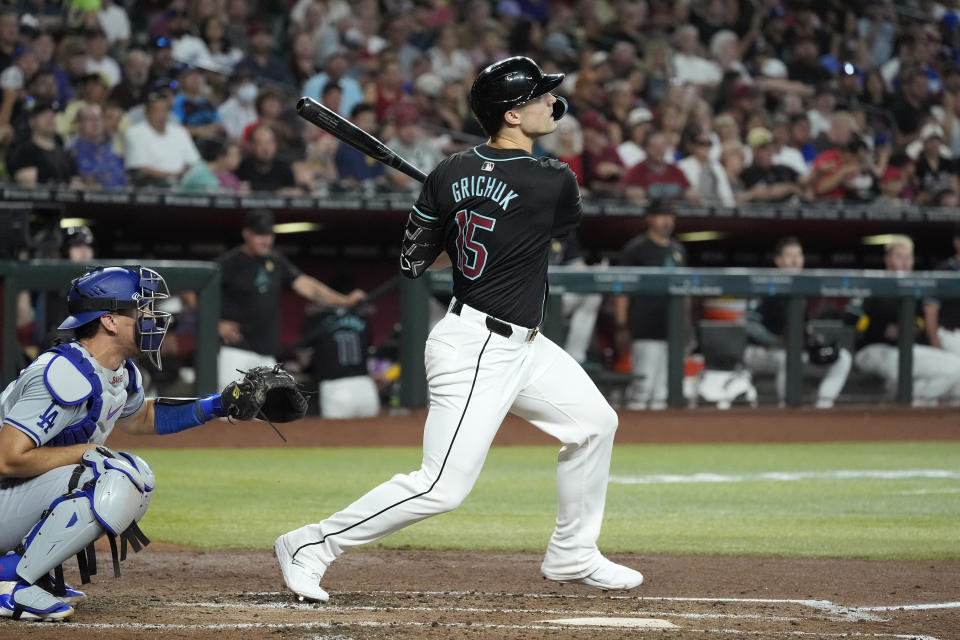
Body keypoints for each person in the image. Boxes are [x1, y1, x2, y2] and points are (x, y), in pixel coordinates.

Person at [274, 56, 642, 603]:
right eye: (539, 96)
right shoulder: (554, 178)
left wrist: (458, 210)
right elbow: (547, 227)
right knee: (441, 487)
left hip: (526, 346)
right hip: (476, 348)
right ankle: (311, 545)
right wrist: (474, 211)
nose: (551, 102)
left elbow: (416, 260)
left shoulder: (449, 172)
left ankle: (573, 553)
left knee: (594, 425)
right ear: (512, 114)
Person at [0, 266, 261, 621]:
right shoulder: (62, 374)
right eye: (143, 310)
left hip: (10, 497)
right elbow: (8, 459)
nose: (153, 318)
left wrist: (217, 405)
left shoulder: (118, 372)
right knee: (108, 471)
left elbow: (143, 418)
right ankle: (10, 582)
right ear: (109, 320)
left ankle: (28, 571)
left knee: (137, 475)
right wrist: (84, 452)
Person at [216, 209, 365, 389]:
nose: (266, 240)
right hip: (235, 350)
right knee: (228, 408)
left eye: (269, 234)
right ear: (246, 234)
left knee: (269, 411)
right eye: (260, 234)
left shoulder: (276, 261)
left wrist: (344, 301)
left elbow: (307, 286)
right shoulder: (229, 263)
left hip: (266, 352)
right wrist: (215, 323)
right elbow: (192, 292)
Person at [742, 237, 853, 408]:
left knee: (842, 358)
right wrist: (773, 340)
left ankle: (823, 405)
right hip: (760, 352)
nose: (795, 260)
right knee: (789, 357)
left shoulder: (803, 290)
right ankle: (787, 407)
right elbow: (749, 324)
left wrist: (813, 338)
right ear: (779, 261)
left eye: (798, 255)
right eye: (789, 256)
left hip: (793, 351)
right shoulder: (766, 285)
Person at [851, 235, 960, 406]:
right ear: (887, 259)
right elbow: (851, 318)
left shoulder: (915, 290)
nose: (905, 262)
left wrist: (914, 327)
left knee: (956, 370)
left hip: (905, 349)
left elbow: (921, 320)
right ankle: (904, 401)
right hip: (871, 349)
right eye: (899, 257)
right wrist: (881, 330)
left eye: (908, 257)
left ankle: (909, 405)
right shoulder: (874, 282)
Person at [614, 198, 688, 410]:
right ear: (650, 219)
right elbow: (622, 290)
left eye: (670, 216)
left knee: (663, 392)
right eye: (662, 215)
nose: (667, 221)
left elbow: (686, 292)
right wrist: (622, 325)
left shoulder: (678, 250)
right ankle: (635, 438)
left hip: (671, 330)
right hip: (644, 328)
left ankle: (659, 439)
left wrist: (685, 326)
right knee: (642, 390)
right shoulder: (636, 249)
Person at [923, 224, 960, 356]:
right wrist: (935, 341)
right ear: (957, 242)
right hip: (950, 334)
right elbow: (930, 309)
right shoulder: (943, 271)